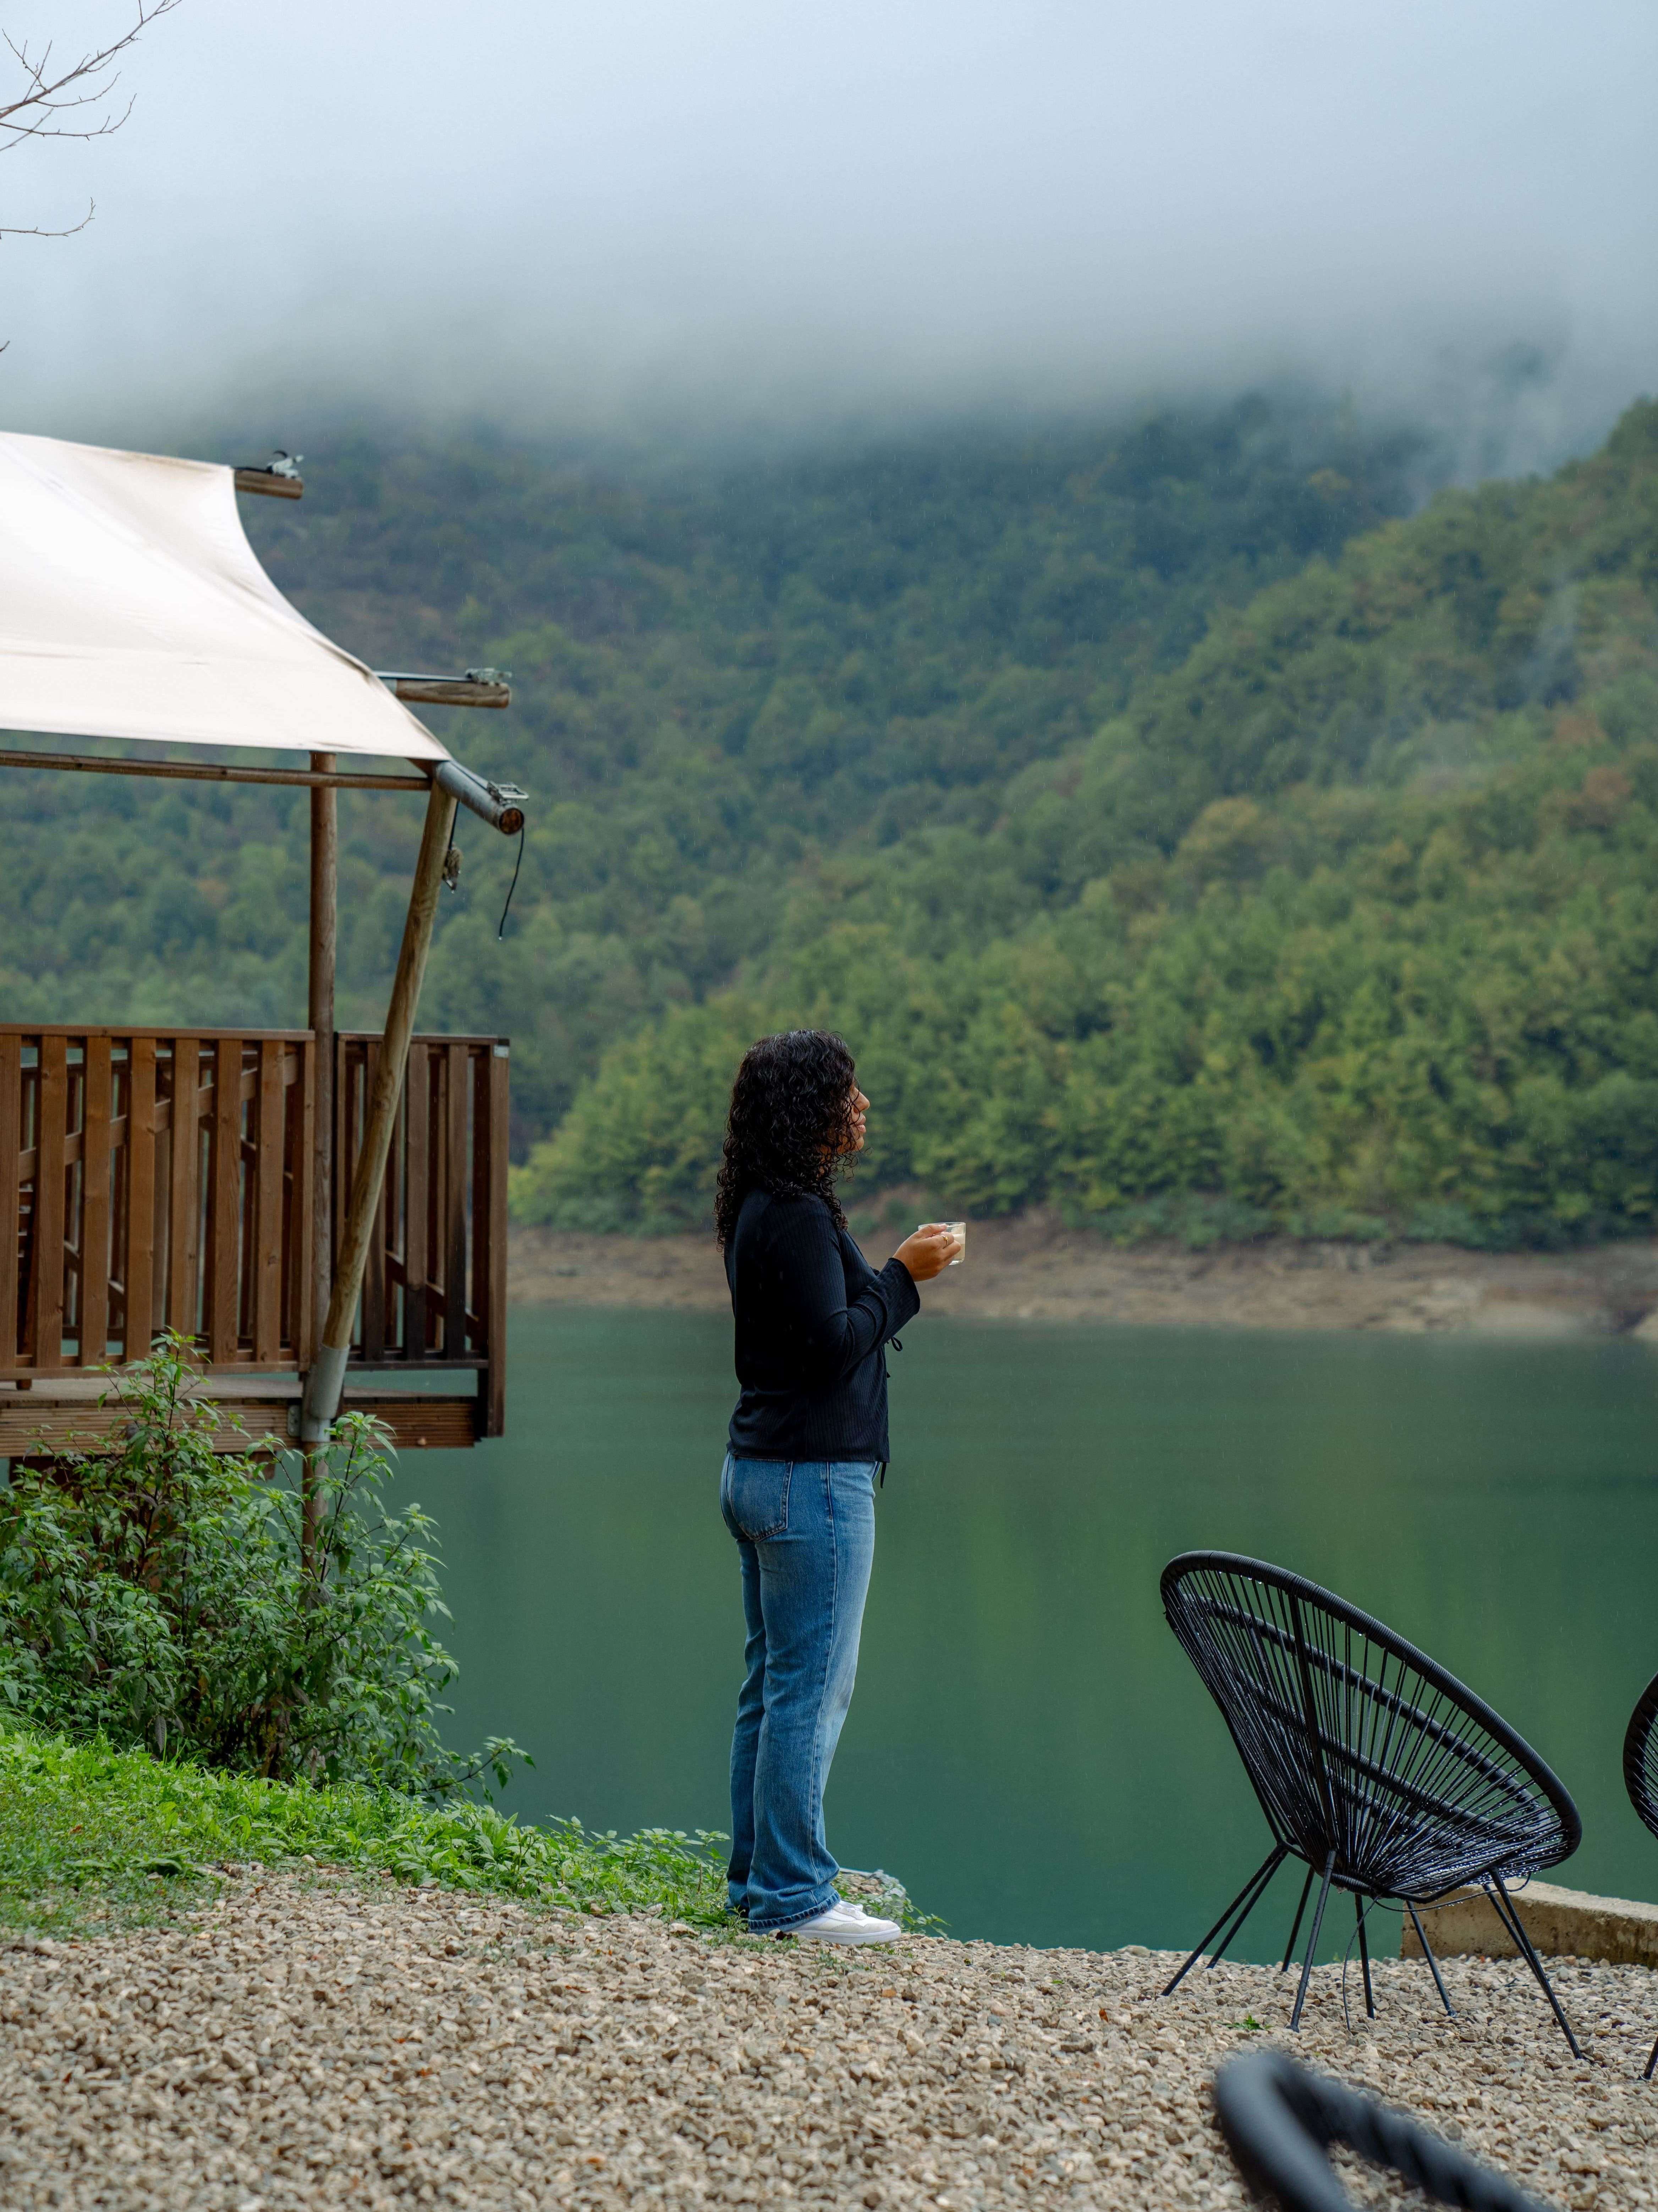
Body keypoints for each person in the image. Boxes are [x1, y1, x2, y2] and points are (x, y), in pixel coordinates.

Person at [714, 1029, 959, 1944]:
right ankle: (794, 1899)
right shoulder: (798, 1214)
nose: (862, 1106)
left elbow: (821, 1328)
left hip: (762, 1470)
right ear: (809, 1107)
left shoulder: (764, 1206)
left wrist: (893, 1273)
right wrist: (904, 1275)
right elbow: (830, 1345)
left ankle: (758, 1884)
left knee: (773, 1688)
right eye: (847, 1093)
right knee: (810, 1691)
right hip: (809, 1484)